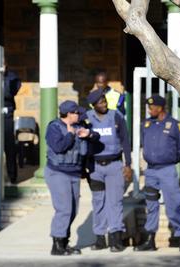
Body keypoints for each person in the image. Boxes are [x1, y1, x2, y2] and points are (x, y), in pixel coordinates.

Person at [135, 94, 180, 253]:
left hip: (167, 170)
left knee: (174, 205)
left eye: (152, 107)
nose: (149, 110)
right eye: (148, 107)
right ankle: (149, 241)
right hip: (151, 171)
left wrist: (170, 160)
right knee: (151, 205)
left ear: (161, 108)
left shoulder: (174, 125)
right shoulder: (145, 124)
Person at [45, 100, 98, 256]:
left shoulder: (79, 126)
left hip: (74, 173)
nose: (79, 115)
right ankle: (57, 245)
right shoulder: (54, 127)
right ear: (68, 114)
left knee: (73, 210)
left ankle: (64, 242)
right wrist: (69, 134)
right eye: (76, 112)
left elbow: (96, 137)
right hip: (58, 172)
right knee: (64, 209)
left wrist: (88, 134)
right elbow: (59, 147)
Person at [85, 89, 133, 252]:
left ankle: (115, 238)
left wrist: (128, 164)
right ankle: (99, 238)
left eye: (105, 101)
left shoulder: (116, 116)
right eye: (100, 103)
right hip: (95, 167)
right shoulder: (87, 117)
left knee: (115, 202)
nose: (104, 104)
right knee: (98, 202)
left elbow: (126, 140)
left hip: (114, 165)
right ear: (93, 105)